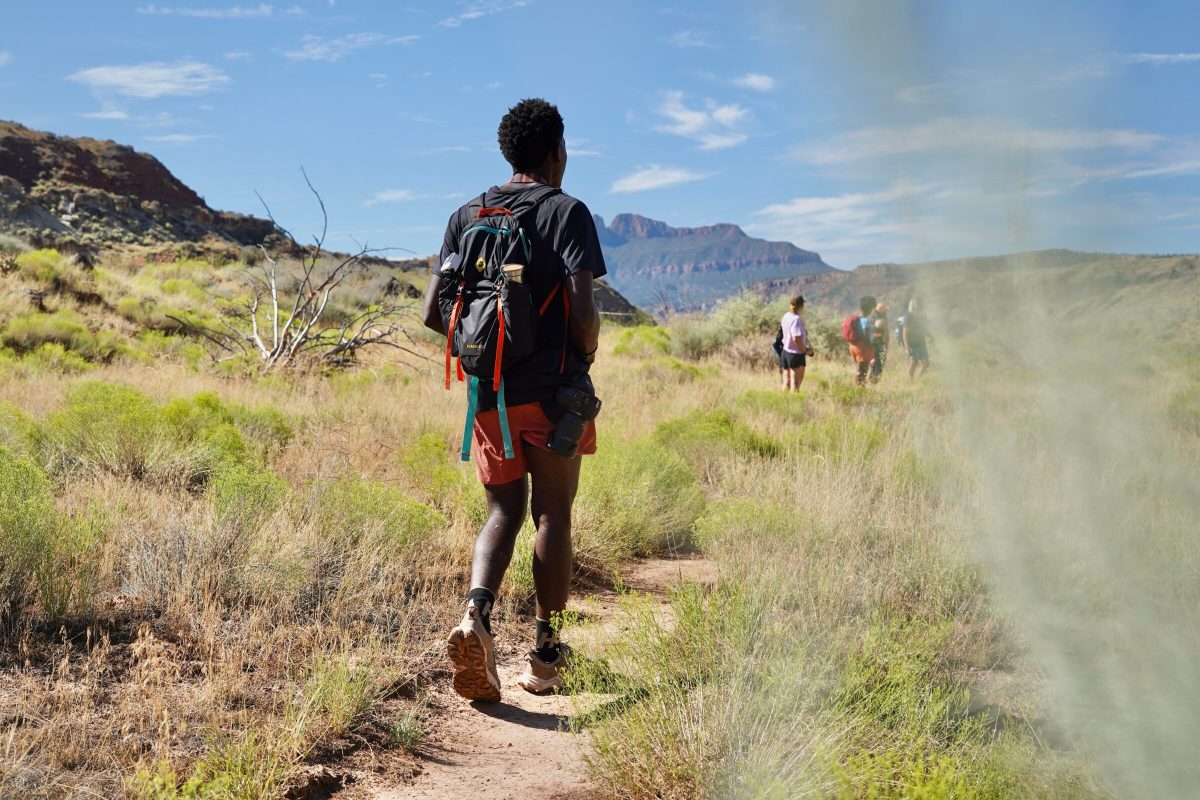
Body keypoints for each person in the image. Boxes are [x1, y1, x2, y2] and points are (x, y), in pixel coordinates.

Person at [422, 98, 605, 701]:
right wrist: (584, 356)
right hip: (554, 396)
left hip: (488, 398)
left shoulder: (466, 214)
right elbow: (582, 312)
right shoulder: (567, 213)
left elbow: (432, 313)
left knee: (503, 510)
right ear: (556, 150)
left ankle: (474, 617)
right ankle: (545, 657)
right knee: (552, 513)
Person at [779, 294, 814, 391]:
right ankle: (794, 405)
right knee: (795, 384)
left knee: (786, 382)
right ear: (801, 305)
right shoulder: (797, 320)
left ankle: (784, 403)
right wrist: (805, 351)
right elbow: (796, 338)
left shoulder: (786, 316)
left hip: (785, 352)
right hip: (795, 355)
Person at [850, 296, 876, 386]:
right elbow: (865, 335)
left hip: (854, 346)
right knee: (862, 371)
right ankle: (860, 392)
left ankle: (860, 389)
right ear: (870, 308)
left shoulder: (858, 317)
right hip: (862, 348)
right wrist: (871, 346)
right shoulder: (865, 320)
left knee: (860, 370)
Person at [903, 297, 931, 378]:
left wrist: (930, 336)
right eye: (914, 303)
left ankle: (919, 377)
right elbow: (905, 332)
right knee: (913, 362)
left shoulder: (922, 315)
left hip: (922, 342)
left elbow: (924, 328)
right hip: (912, 343)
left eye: (918, 303)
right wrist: (907, 347)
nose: (917, 305)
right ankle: (910, 381)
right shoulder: (908, 316)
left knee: (926, 363)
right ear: (911, 305)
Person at [868, 302, 889, 384]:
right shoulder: (883, 321)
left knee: (873, 366)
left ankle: (870, 383)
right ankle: (874, 384)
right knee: (879, 367)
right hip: (881, 346)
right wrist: (886, 347)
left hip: (871, 347)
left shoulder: (871, 319)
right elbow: (887, 336)